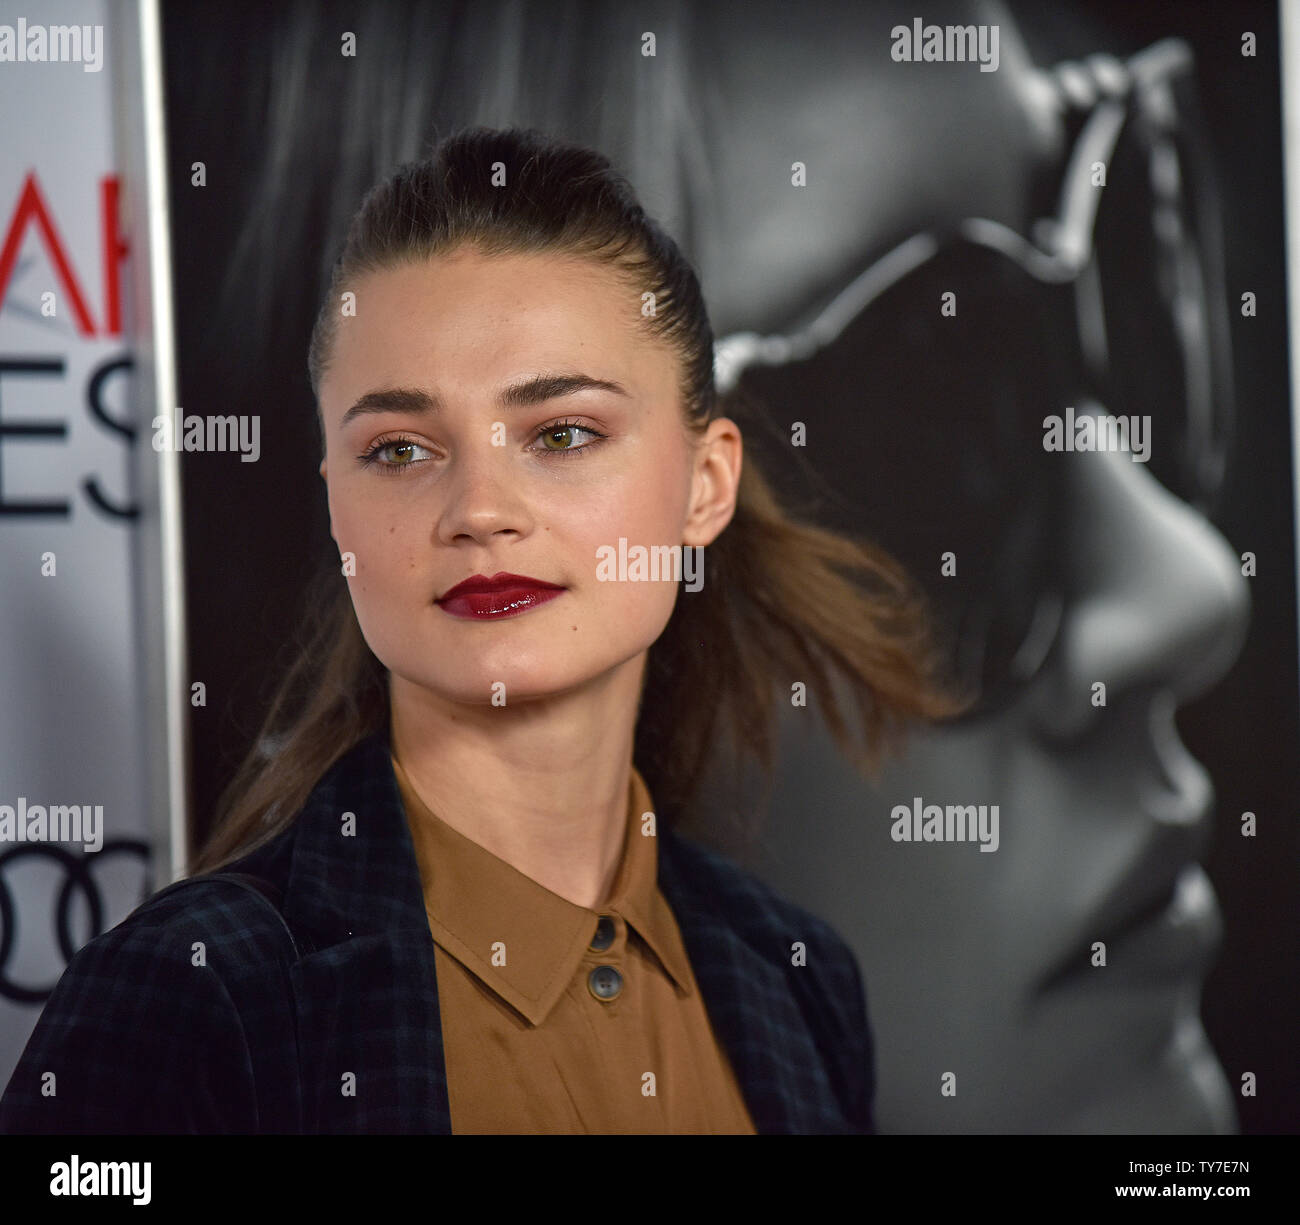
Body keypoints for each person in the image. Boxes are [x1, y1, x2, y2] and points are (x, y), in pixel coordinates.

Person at [0, 125, 965, 1135]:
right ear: (335, 505)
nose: (479, 508)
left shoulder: (798, 981)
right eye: (402, 448)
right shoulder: (196, 998)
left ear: (705, 485)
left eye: (561, 433)